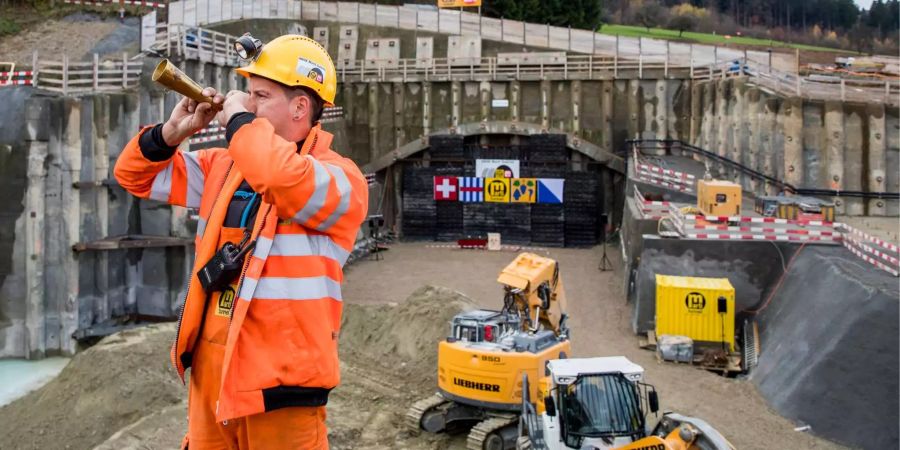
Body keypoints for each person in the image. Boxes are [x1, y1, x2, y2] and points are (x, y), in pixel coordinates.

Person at [114, 34, 368, 449]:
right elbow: (135, 176)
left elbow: (283, 179)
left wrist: (236, 122)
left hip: (281, 391)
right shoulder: (227, 166)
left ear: (301, 107)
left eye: (261, 95)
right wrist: (170, 134)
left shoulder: (341, 180)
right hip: (212, 379)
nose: (247, 105)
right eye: (248, 94)